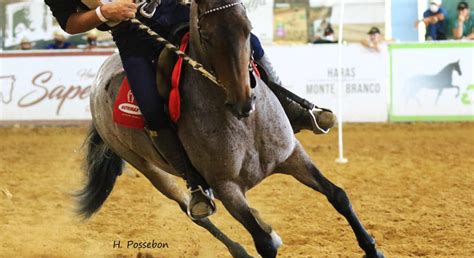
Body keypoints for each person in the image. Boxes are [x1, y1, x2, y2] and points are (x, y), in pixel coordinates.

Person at [44, 0, 334, 220]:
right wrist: (102, 14)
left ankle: (292, 107)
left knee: (248, 42)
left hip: (177, 12)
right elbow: (70, 22)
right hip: (134, 37)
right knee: (151, 108)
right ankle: (194, 182)